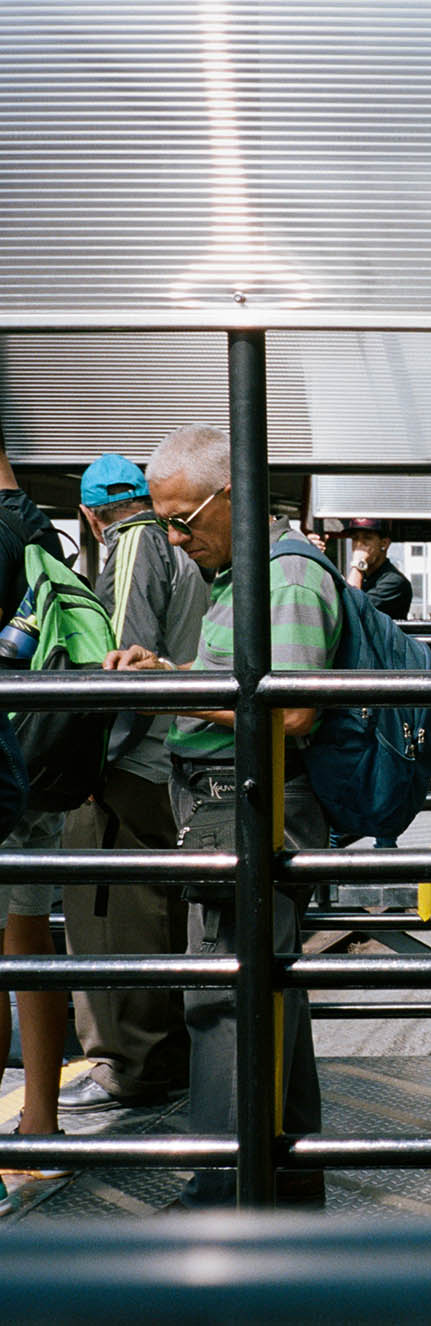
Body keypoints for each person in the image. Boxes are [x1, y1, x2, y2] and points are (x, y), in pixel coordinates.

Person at [103, 423, 339, 1209]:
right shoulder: (246, 575)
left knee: (223, 999)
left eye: (183, 518)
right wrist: (169, 675)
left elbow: (294, 708)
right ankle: (288, 1180)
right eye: (163, 520)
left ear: (231, 495)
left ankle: (227, 1196)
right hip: (232, 802)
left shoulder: (288, 577)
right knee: (264, 992)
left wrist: (169, 686)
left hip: (251, 806)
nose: (173, 537)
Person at [59, 452, 205, 1116]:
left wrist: (92, 763)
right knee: (151, 913)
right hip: (164, 758)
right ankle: (158, 1056)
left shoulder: (136, 544)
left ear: (93, 516)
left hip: (129, 765)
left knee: (119, 918)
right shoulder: (180, 548)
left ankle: (134, 1064)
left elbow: (124, 656)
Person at [0, 437, 70, 1206]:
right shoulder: (40, 529)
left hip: (3, 759)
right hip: (38, 754)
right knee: (29, 938)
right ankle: (42, 1128)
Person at [342, 518, 412, 620]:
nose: (359, 545)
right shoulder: (361, 576)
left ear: (384, 543)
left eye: (367, 538)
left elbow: (352, 609)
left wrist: (358, 564)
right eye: (355, 538)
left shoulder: (394, 581)